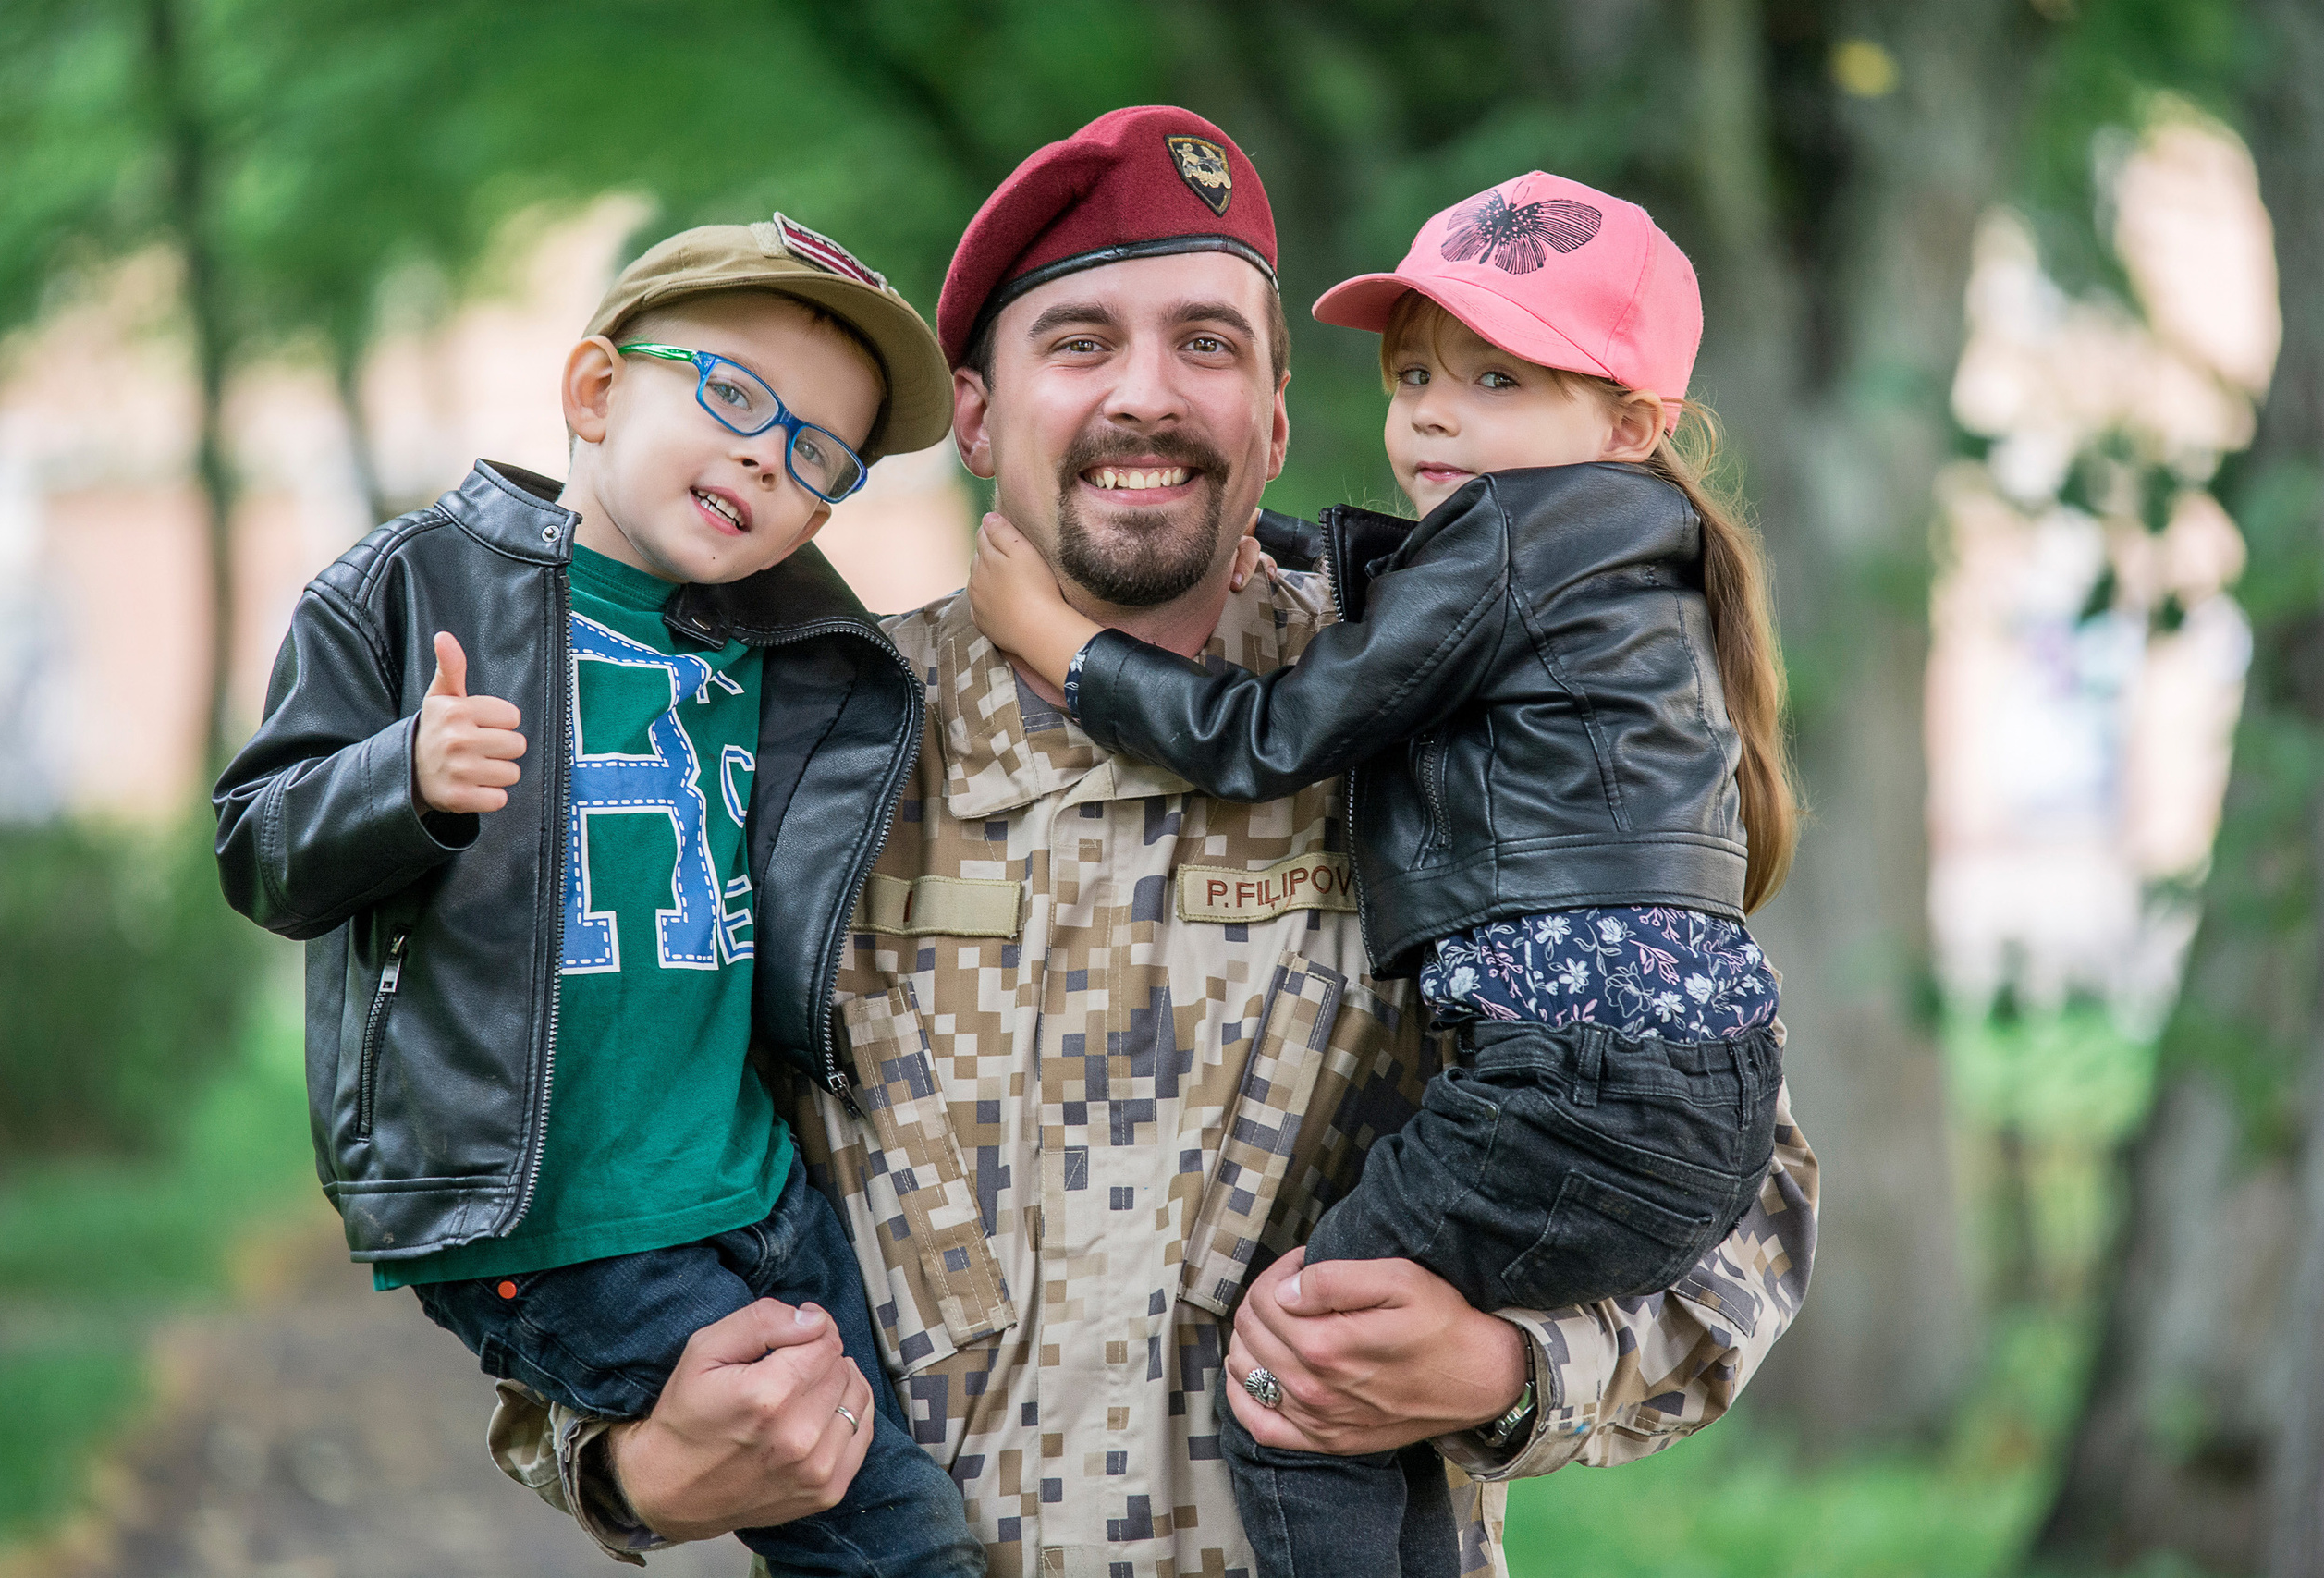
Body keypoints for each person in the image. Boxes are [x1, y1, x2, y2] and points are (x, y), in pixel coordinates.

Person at [488, 110, 1820, 1578]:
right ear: (978, 416)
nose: (1145, 395)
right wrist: (627, 1461)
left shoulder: (1475, 719)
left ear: (1275, 419)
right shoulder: (792, 744)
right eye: (1079, 343)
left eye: (1206, 343)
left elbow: (1736, 1203)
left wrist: (1510, 1372)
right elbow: (576, 1151)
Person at [966, 168, 1797, 1577]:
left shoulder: (1520, 544)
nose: (1435, 415)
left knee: (1294, 1377)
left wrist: (1062, 644)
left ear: (1633, 425)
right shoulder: (1611, 564)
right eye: (1415, 377)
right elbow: (1426, 598)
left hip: (1570, 1083)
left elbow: (1273, 736)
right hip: (1655, 1081)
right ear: (978, 410)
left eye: (1497, 378)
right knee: (1338, 1398)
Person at [212, 218, 986, 1576]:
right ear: (594, 391)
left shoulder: (801, 653)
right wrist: (404, 780)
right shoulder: (412, 587)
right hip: (558, 1218)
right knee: (891, 1532)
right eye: (734, 395)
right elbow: (257, 846)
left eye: (818, 453)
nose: (768, 455)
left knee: (878, 1481)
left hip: (755, 1186)